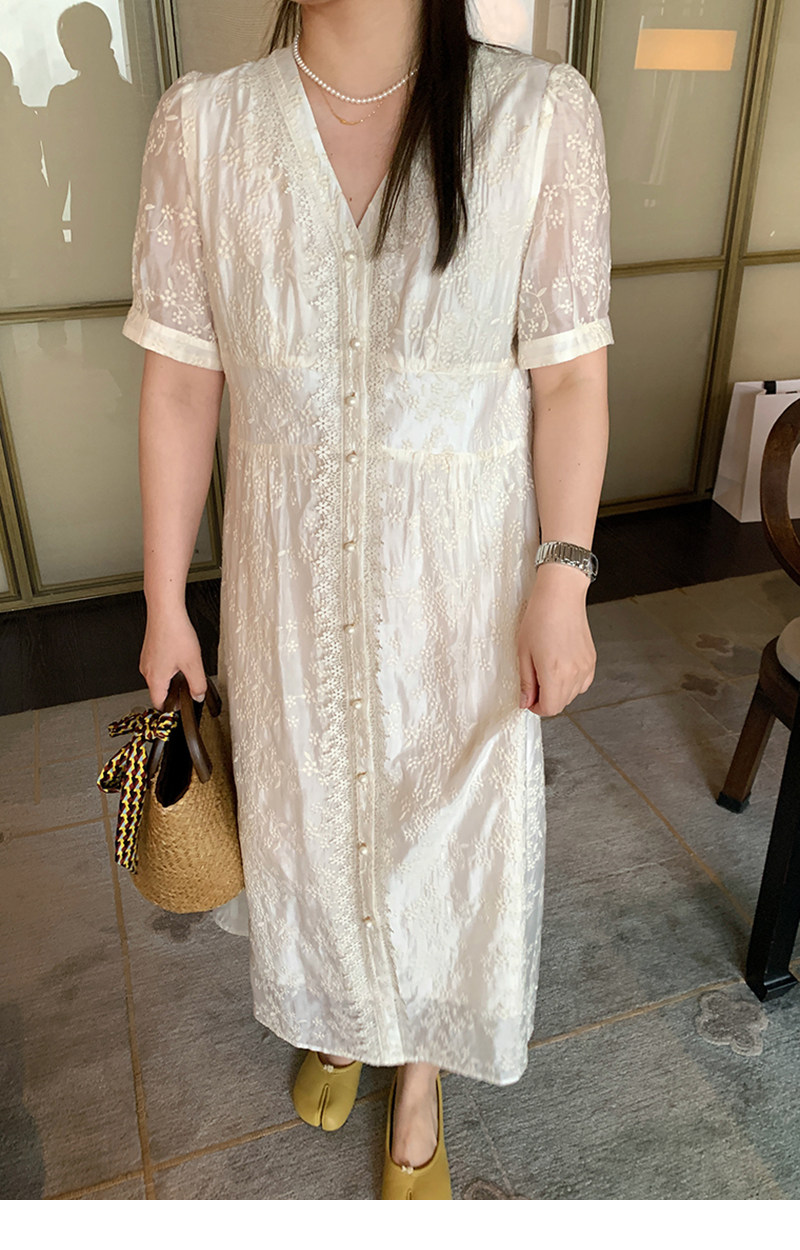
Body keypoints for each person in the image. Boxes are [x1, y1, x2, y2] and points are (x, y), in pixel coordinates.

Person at [126, 0, 611, 1201]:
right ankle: (340, 1020)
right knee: (309, 817)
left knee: (446, 839)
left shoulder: (533, 116)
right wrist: (163, 599)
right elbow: (181, 384)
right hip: (285, 593)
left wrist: (562, 571)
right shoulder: (205, 128)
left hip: (463, 597)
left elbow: (569, 377)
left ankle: (421, 1078)